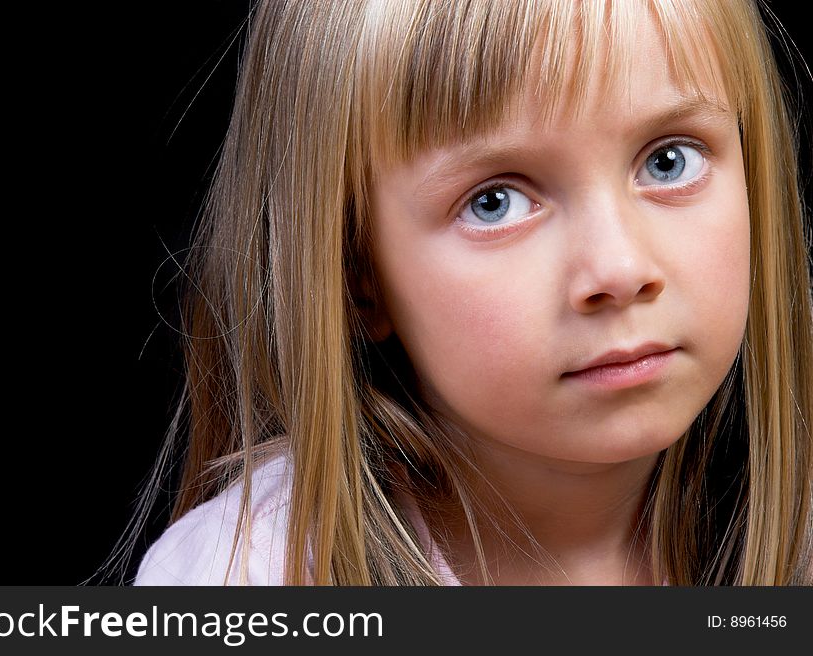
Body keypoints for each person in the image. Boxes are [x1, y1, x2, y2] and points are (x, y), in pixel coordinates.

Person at [131, 0, 813, 586]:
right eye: (493, 202)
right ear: (356, 275)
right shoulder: (249, 576)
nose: (619, 268)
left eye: (669, 160)